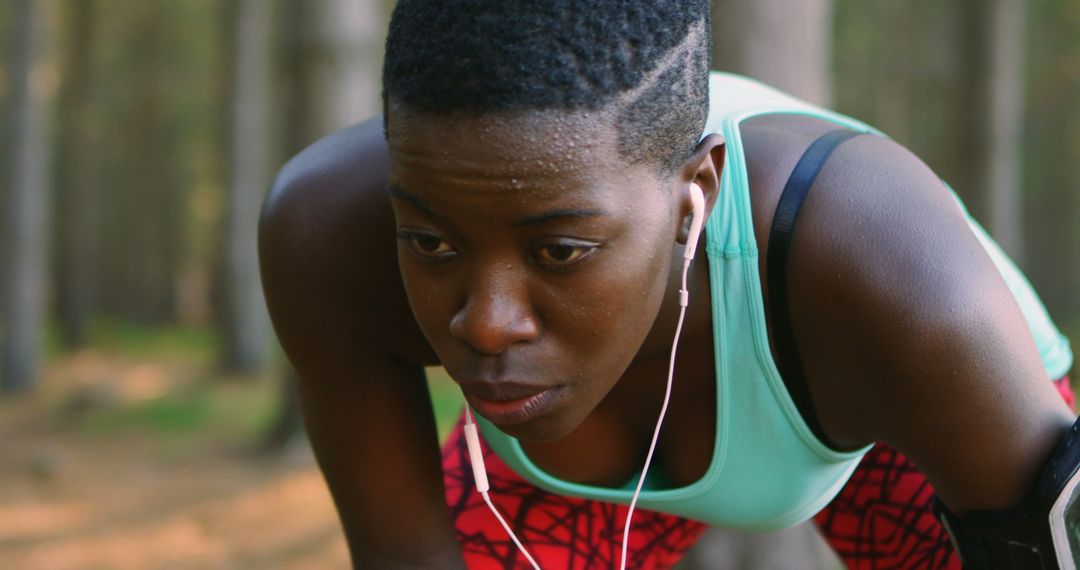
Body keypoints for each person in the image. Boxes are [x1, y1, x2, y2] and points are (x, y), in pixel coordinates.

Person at [258, 1, 1078, 568]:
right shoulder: (334, 239)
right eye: (433, 242)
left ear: (699, 193)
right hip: (566, 422)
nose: (487, 326)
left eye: (560, 251)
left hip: (879, 415)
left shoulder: (893, 286)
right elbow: (405, 557)